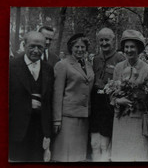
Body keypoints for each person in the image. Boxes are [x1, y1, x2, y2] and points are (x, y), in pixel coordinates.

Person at [111, 30, 148, 161]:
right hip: (120, 120)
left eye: (132, 47)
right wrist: (119, 100)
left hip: (138, 120)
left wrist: (139, 97)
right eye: (126, 47)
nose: (129, 50)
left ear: (139, 49)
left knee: (137, 155)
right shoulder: (118, 68)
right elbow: (112, 92)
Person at [9, 31, 54, 162]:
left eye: (40, 47)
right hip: (17, 129)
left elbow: (49, 101)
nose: (36, 50)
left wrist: (48, 131)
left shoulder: (48, 69)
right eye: (32, 46)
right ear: (24, 45)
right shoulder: (11, 66)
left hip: (40, 130)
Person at [52, 33, 94, 162]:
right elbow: (57, 94)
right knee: (64, 154)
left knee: (78, 156)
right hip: (67, 118)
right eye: (77, 46)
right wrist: (57, 120)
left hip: (84, 116)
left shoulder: (88, 65)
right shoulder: (62, 65)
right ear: (71, 47)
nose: (80, 49)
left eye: (83, 47)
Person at [90, 28, 125, 161]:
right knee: (94, 142)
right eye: (101, 40)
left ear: (113, 40)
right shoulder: (96, 59)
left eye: (107, 40)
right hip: (95, 104)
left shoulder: (120, 59)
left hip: (109, 105)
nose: (104, 43)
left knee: (105, 143)